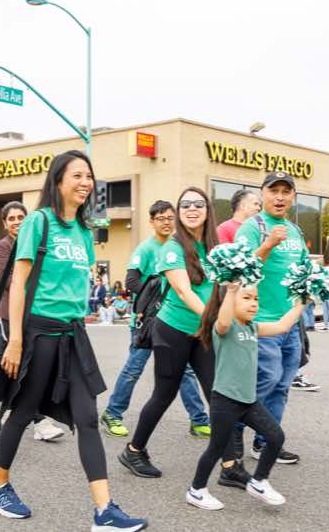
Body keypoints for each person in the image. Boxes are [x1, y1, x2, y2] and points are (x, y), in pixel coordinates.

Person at [0, 150, 146, 531]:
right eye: (77, 175)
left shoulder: (84, 232)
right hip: (38, 333)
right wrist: (16, 340)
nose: (85, 182)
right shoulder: (38, 222)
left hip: (73, 334)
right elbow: (19, 283)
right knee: (23, 412)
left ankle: (104, 511)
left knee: (87, 418)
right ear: (58, 181)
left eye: (89, 176)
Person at [231, 171, 329, 466]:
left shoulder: (294, 230)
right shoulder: (251, 228)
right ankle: (232, 432)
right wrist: (268, 245)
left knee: (281, 386)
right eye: (274, 191)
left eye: (286, 192)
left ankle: (266, 441)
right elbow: (240, 271)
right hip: (261, 321)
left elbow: (304, 269)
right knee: (263, 381)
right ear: (263, 194)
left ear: (293, 196)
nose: (280, 197)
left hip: (291, 322)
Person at [119, 187, 223, 481]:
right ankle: (134, 450)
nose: (192, 209)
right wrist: (213, 320)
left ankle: (230, 464)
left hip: (202, 332)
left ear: (208, 210)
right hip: (173, 330)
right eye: (185, 204)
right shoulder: (172, 247)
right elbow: (183, 290)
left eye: (198, 204)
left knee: (216, 393)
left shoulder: (214, 248)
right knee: (163, 394)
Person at [186, 282, 304, 510]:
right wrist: (231, 290)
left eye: (256, 299)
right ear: (229, 302)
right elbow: (222, 321)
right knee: (216, 449)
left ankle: (259, 481)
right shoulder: (224, 327)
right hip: (225, 401)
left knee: (276, 437)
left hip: (248, 402)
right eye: (247, 298)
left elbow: (282, 326)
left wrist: (303, 301)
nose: (253, 304)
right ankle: (196, 490)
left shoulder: (253, 328)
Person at [100, 200, 211, 441]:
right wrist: (157, 296)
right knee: (134, 369)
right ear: (151, 222)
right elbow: (131, 282)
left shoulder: (182, 246)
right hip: (147, 322)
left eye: (170, 218)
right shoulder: (146, 249)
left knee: (185, 372)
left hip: (172, 322)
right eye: (160, 219)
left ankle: (199, 420)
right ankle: (112, 414)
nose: (166, 223)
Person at [0, 201, 65, 443]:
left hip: (37, 313)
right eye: (11, 218)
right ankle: (37, 420)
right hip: (11, 315)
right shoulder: (1, 247)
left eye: (20, 217)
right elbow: (10, 281)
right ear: (5, 224)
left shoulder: (38, 243)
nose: (16, 222)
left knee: (34, 368)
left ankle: (14, 413)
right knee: (17, 367)